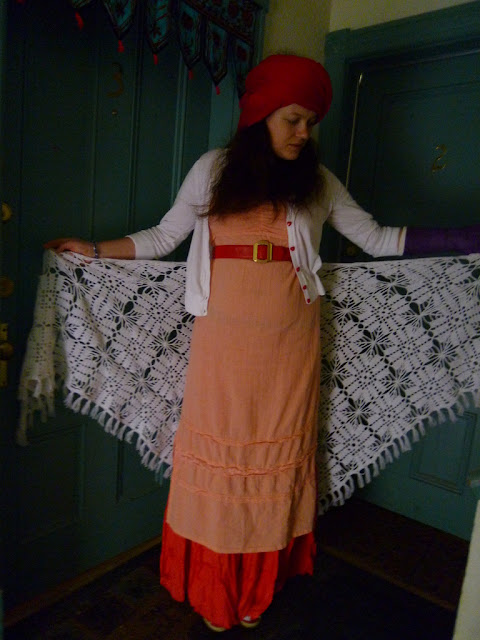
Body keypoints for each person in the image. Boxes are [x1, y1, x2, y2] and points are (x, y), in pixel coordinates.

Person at [44, 54, 480, 633]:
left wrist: (467, 237)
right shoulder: (213, 169)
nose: (304, 133)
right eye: (293, 119)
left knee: (272, 460)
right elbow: (164, 236)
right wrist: (95, 251)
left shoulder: (318, 182)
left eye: (311, 123)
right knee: (223, 460)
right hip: (222, 343)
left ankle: (255, 590)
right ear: (260, 114)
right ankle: (215, 591)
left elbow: (378, 238)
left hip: (292, 344)